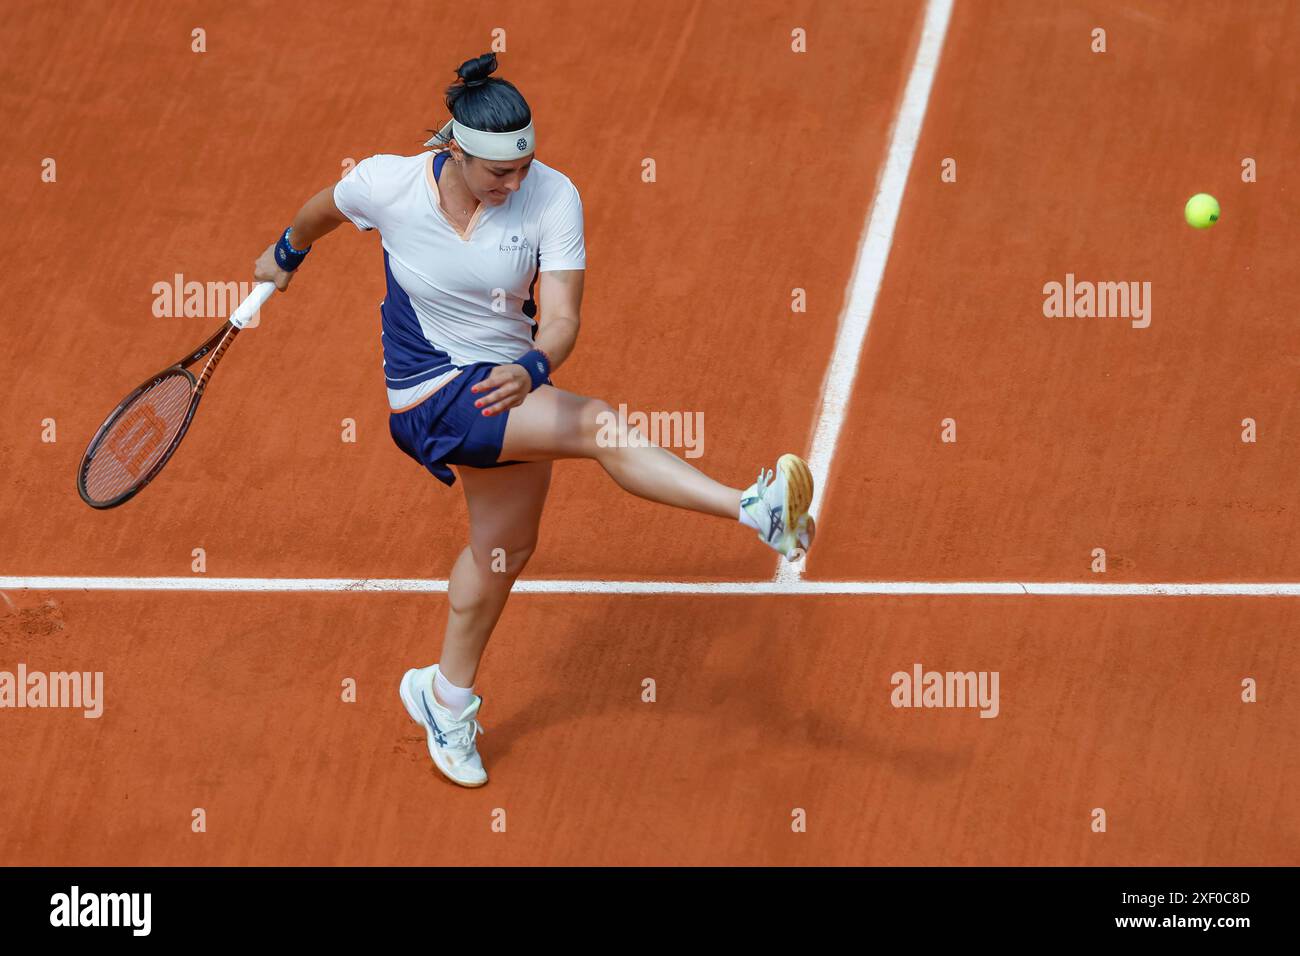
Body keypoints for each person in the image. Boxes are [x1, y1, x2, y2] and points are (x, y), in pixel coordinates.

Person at [253, 52, 815, 788]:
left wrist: (535, 368)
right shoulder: (387, 185)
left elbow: (562, 320)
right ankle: (753, 508)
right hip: (429, 392)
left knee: (502, 551)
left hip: (513, 385)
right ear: (454, 152)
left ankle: (444, 699)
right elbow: (325, 208)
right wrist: (286, 251)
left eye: (523, 169)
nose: (515, 184)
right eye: (498, 175)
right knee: (596, 425)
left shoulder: (554, 198)